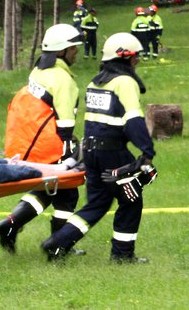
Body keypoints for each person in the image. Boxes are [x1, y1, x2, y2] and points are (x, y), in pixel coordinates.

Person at [41, 33, 157, 263]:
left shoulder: (96, 81)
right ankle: (122, 256)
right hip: (113, 153)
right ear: (127, 58)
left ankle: (58, 242)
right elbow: (133, 119)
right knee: (131, 200)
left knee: (97, 204)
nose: (138, 61)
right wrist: (147, 151)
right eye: (136, 57)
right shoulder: (125, 82)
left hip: (91, 151)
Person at [0, 24, 83, 254]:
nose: (76, 52)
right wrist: (68, 155)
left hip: (22, 143)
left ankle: (10, 224)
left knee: (48, 189)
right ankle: (58, 245)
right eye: (73, 48)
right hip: (46, 146)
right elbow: (65, 125)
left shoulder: (38, 71)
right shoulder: (64, 80)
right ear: (61, 51)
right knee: (68, 190)